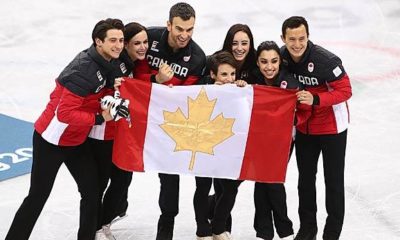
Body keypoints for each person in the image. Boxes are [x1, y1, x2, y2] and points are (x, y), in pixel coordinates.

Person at [5, 18, 126, 240]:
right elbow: (65, 114)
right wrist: (100, 117)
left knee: (92, 192)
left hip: (77, 141)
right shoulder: (83, 69)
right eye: (112, 40)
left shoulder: (109, 62)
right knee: (38, 196)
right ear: (98, 41)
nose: (118, 45)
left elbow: (98, 95)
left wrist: (113, 91)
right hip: (51, 140)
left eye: (120, 40)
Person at [134, 3, 206, 240]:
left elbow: (184, 98)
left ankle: (195, 227)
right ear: (168, 25)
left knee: (173, 175)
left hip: (175, 125)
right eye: (179, 29)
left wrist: (165, 85)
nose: (184, 35)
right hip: (143, 119)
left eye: (190, 29)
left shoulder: (197, 58)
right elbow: (133, 76)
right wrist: (156, 79)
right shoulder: (149, 38)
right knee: (161, 178)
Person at [280, 16, 352, 240]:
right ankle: (307, 229)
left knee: (333, 182)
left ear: (308, 37)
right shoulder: (281, 57)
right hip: (305, 129)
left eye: (301, 38)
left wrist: (316, 99)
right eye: (292, 39)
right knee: (305, 181)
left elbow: (346, 91)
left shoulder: (325, 60)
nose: (297, 44)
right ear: (283, 38)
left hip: (332, 129)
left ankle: (331, 234)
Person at [93, 22, 148, 240]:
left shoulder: (130, 64)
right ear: (126, 45)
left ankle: (104, 221)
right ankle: (97, 226)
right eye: (136, 43)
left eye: (145, 42)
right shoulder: (114, 65)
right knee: (107, 181)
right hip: (104, 134)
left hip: (122, 133)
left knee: (123, 179)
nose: (142, 47)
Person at [207, 23, 258, 234]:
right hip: (219, 133)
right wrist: (214, 88)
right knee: (222, 183)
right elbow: (201, 85)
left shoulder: (256, 66)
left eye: (244, 43)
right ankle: (222, 228)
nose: (239, 47)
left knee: (232, 183)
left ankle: (216, 220)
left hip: (247, 135)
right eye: (235, 43)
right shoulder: (217, 61)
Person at [194, 51, 246, 240]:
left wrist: (243, 90)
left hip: (227, 147)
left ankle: (217, 226)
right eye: (224, 74)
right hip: (203, 145)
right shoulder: (203, 87)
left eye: (232, 74)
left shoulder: (238, 90)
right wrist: (210, 90)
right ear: (213, 74)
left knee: (229, 188)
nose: (229, 79)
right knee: (203, 187)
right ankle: (202, 229)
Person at [252, 41, 299, 240]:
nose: (269, 67)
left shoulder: (289, 82)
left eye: (273, 61)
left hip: (283, 140)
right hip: (259, 139)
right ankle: (268, 230)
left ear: (280, 62)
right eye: (264, 62)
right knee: (261, 179)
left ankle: (280, 228)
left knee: (272, 179)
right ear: (257, 62)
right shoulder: (253, 79)